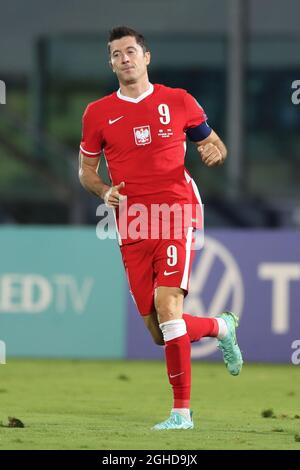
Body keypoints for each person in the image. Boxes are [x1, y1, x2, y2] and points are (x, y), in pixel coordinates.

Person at [79, 26, 243, 431]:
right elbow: (86, 171)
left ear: (146, 57)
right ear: (111, 63)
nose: (124, 59)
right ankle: (220, 327)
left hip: (176, 212)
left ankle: (181, 415)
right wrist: (103, 192)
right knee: (159, 332)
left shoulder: (179, 101)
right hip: (132, 222)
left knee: (170, 310)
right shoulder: (97, 112)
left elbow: (215, 145)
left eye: (130, 51)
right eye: (116, 54)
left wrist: (213, 152)